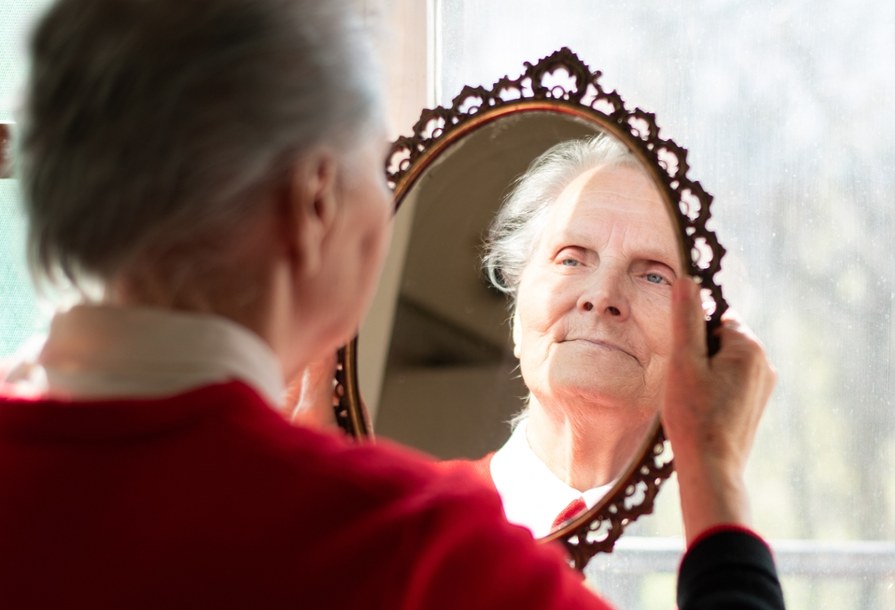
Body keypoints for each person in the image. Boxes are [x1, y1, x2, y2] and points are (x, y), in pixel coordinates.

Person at [0, 1, 784, 609]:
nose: (602, 297)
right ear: (315, 199)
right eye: (376, 169)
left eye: (650, 273)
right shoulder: (422, 557)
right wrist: (712, 473)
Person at [467, 134, 682, 537]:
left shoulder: (718, 552)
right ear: (516, 310)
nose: (602, 297)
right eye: (571, 259)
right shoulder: (410, 519)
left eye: (654, 275)